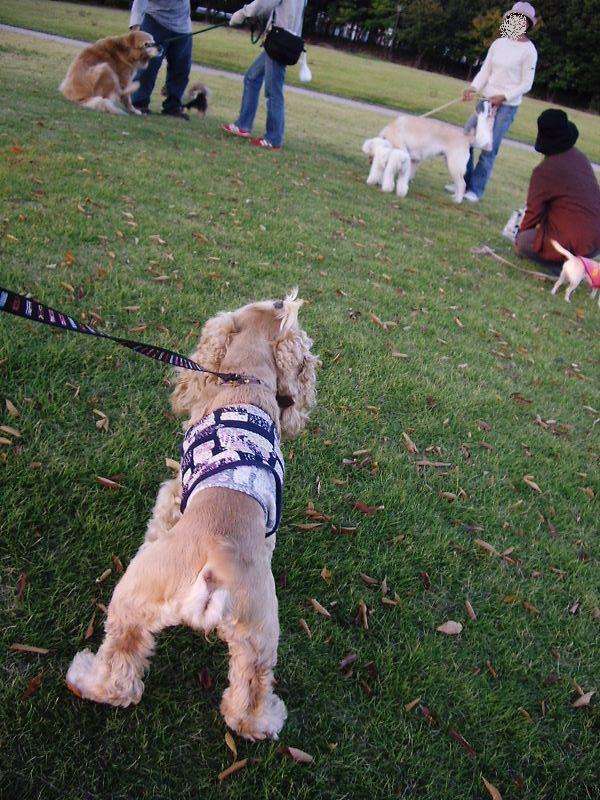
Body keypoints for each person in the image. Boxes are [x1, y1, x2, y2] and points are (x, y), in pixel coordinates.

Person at [459, 2, 538, 202]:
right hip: (485, 101)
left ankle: (475, 190)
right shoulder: (498, 43)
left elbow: (526, 83)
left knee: (489, 147)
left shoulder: (529, 51)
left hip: (506, 107)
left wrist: (504, 96)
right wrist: (473, 88)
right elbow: (485, 70)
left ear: (527, 24)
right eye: (514, 18)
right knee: (465, 138)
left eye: (522, 20)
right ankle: (462, 183)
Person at [514, 109, 600, 271]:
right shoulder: (580, 157)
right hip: (596, 243)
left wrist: (519, 238)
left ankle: (561, 267)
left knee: (525, 241)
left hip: (575, 242)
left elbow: (533, 212)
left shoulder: (544, 171)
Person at [221, 0, 307, 150]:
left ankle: (273, 139)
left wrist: (242, 13)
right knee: (252, 78)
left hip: (279, 41)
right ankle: (243, 125)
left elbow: (264, 3)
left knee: (273, 91)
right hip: (285, 38)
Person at [129, 0, 192, 119]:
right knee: (148, 66)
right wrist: (135, 26)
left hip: (183, 26)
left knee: (181, 69)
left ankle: (173, 107)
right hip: (155, 20)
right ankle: (138, 103)